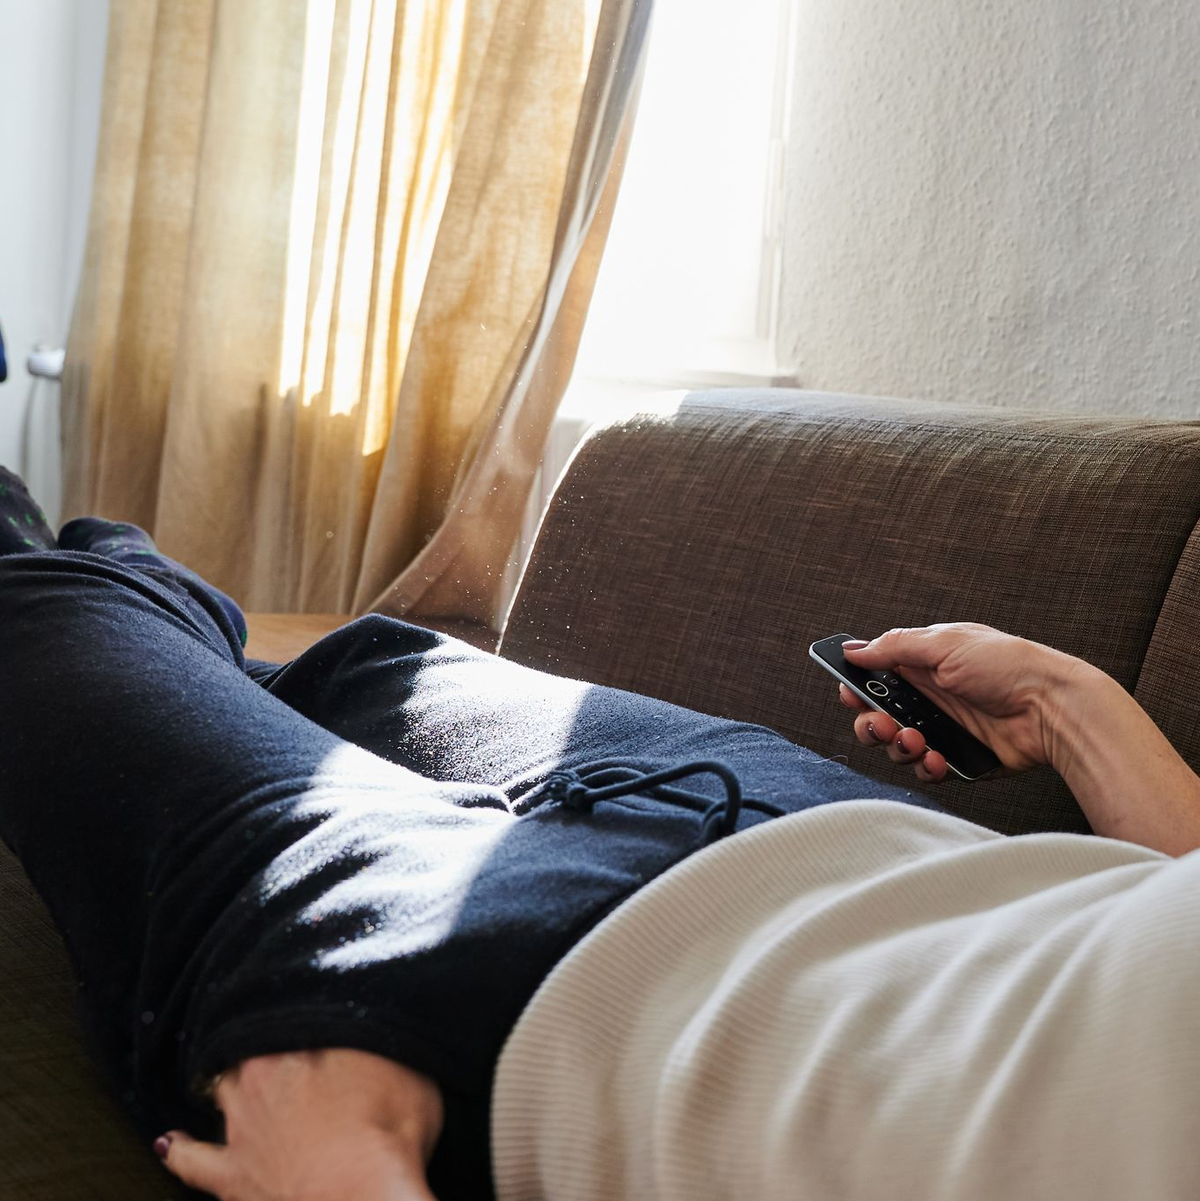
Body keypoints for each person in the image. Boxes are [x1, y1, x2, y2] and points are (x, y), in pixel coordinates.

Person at [2, 463, 1200, 1200]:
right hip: (835, 832)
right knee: (375, 664)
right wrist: (1064, 703)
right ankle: (130, 595)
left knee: (47, 622)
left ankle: (91, 565)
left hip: (546, 1006)